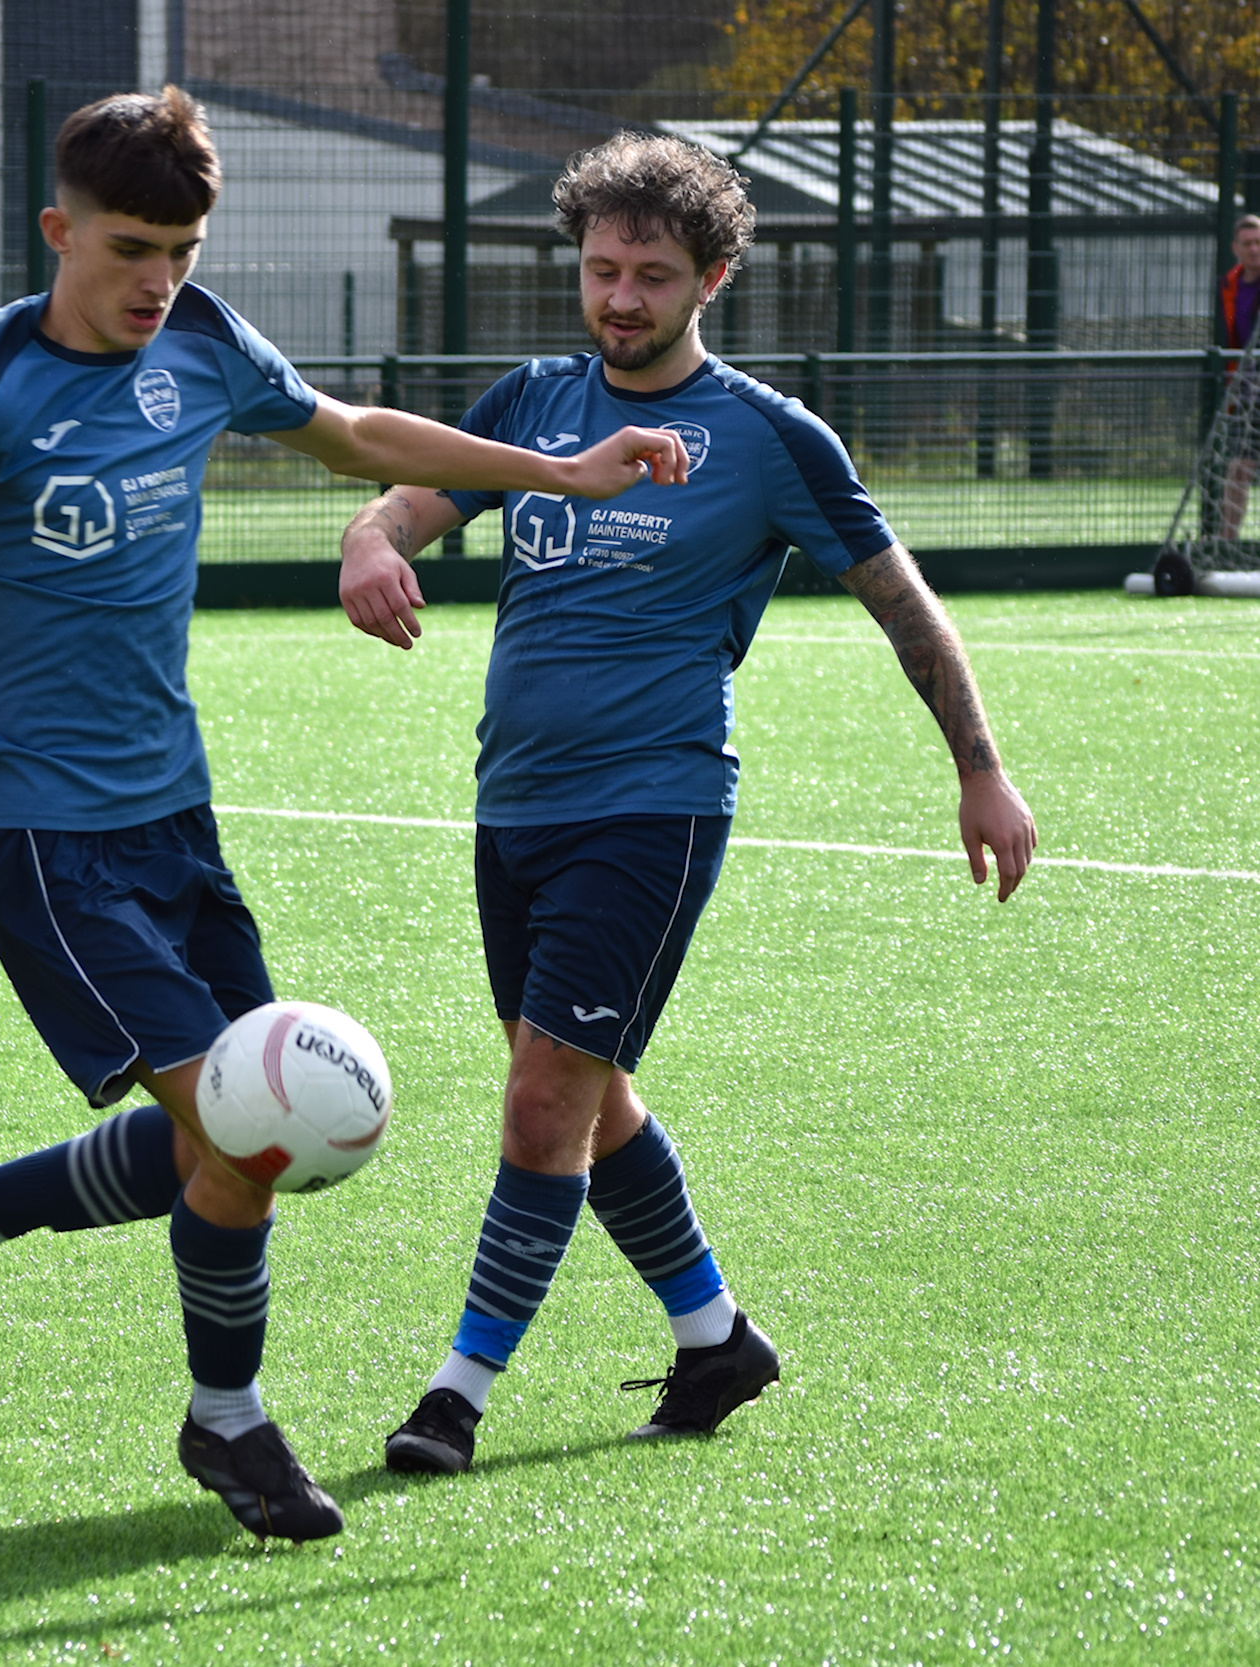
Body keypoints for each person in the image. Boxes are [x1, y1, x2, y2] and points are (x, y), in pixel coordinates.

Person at [0, 87, 688, 1543]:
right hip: (43, 839)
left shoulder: (198, 341)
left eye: (182, 251)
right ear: (58, 230)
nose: (158, 281)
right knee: (246, 1138)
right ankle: (229, 1420)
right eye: (130, 248)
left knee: (236, 1138)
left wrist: (558, 472)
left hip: (176, 818)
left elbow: (351, 431)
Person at [336, 133, 1037, 1479]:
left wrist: (979, 765)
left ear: (711, 279)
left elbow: (904, 604)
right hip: (513, 804)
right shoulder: (533, 400)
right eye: (602, 269)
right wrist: (369, 541)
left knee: (543, 1100)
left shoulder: (770, 438)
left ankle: (455, 1395)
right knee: (587, 1092)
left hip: (654, 807)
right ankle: (716, 1336)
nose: (620, 298)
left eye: (651, 276)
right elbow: (408, 503)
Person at [1217, 215, 1260, 540]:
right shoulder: (1228, 285)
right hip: (1248, 389)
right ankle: (1227, 541)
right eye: (1247, 243)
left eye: (1258, 242)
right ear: (1236, 248)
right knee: (1239, 467)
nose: (1254, 249)